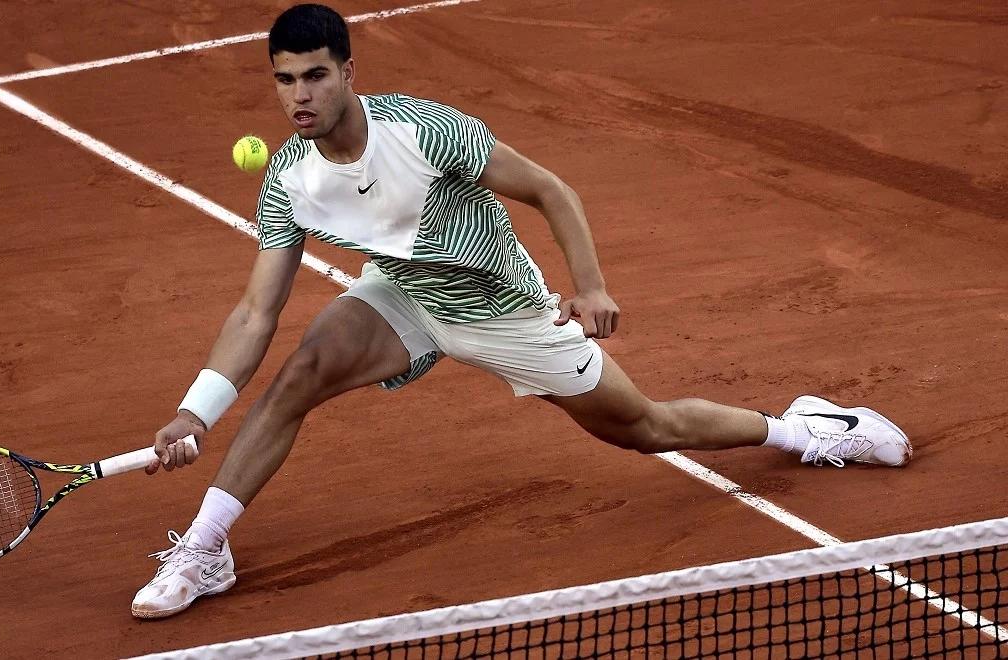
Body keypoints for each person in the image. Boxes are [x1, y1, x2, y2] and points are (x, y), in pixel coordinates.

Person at [129, 3, 912, 619]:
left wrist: (591, 285)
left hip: (501, 310)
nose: (299, 95)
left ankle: (804, 429)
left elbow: (550, 189)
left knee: (643, 429)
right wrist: (196, 412)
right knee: (301, 371)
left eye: (315, 76)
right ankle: (204, 549)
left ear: (348, 72)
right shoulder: (288, 180)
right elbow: (255, 311)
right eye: (285, 79)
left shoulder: (425, 132)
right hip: (404, 293)